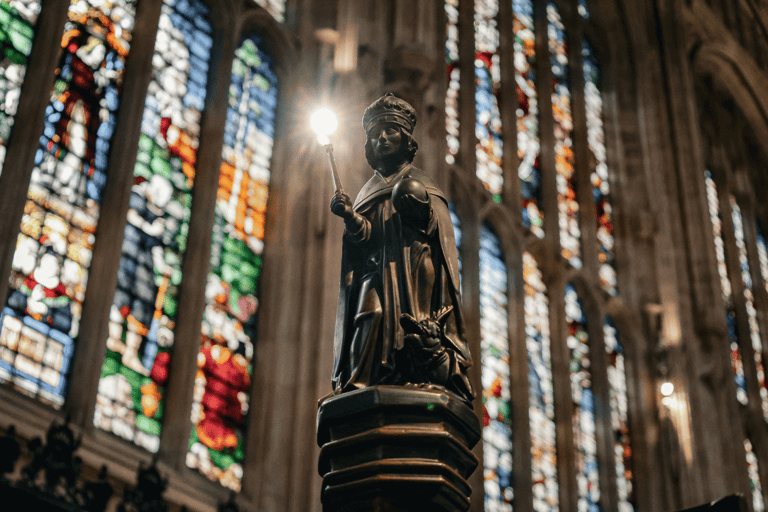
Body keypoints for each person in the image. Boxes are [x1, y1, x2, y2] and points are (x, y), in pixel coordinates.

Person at [329, 93, 474, 403]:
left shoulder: (422, 181)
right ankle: (358, 384)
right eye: (375, 133)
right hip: (375, 272)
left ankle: (413, 374)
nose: (382, 138)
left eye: (391, 131)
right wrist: (350, 216)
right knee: (370, 313)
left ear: (406, 138)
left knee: (415, 331)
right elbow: (363, 239)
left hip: (414, 270)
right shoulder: (368, 190)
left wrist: (419, 208)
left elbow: (438, 233)